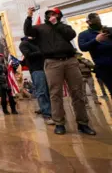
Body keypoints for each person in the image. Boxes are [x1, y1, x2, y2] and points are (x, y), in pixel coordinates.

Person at [24, 7, 96, 135]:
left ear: (58, 16)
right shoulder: (40, 28)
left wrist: (56, 24)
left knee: (77, 92)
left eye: (54, 14)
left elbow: (71, 35)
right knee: (55, 93)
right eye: (48, 14)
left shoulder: (64, 27)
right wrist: (29, 16)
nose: (50, 16)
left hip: (70, 61)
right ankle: (59, 123)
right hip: (52, 62)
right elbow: (27, 31)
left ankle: (83, 123)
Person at [19, 37, 54, 125]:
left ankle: (50, 110)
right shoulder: (24, 43)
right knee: (42, 91)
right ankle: (47, 114)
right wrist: (43, 51)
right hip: (37, 69)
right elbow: (28, 55)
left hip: (48, 67)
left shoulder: (38, 42)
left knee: (50, 91)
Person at [78, 13, 112, 95]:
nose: (98, 22)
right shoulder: (84, 35)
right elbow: (83, 47)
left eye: (99, 20)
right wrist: (96, 40)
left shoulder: (109, 30)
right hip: (104, 68)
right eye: (95, 20)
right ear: (88, 22)